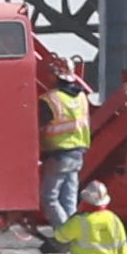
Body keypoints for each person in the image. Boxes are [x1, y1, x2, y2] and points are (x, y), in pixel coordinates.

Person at [38, 55, 94, 226]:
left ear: (55, 75)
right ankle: (73, 235)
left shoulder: (50, 99)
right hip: (78, 153)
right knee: (69, 200)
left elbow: (38, 125)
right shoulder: (81, 96)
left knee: (49, 199)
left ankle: (65, 234)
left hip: (58, 154)